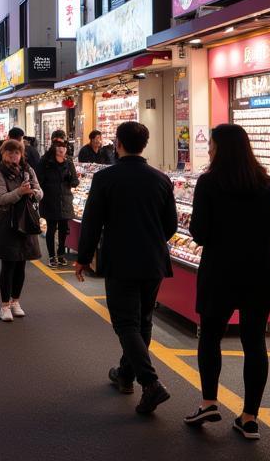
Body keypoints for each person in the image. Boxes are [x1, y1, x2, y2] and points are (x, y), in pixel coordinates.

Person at [184, 124, 270, 438]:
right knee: (254, 341)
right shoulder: (267, 184)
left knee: (210, 335)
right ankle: (249, 416)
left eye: (212, 145)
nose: (209, 150)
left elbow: (199, 232)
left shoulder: (208, 183)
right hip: (259, 267)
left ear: (220, 148)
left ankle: (209, 402)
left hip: (220, 266)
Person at [75, 121, 176, 415]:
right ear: (143, 144)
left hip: (120, 258)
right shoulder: (161, 179)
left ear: (118, 143)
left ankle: (151, 383)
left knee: (125, 323)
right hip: (154, 260)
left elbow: (92, 222)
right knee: (143, 321)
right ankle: (125, 375)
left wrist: (83, 257)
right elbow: (170, 225)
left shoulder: (107, 179)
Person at [0, 139, 45, 321]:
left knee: (22, 263)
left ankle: (16, 301)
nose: (14, 156)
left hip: (26, 221)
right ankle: (4, 305)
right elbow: (0, 198)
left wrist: (34, 193)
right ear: (3, 154)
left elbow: (39, 191)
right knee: (8, 264)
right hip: (7, 222)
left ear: (22, 155)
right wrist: (19, 192)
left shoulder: (28, 170)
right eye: (10, 152)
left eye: (17, 153)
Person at [37, 137, 78, 267]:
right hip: (50, 199)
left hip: (65, 199)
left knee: (64, 229)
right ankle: (51, 256)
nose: (62, 148)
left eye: (64, 146)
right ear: (53, 147)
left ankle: (61, 254)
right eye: (59, 146)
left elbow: (75, 181)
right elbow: (39, 180)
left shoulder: (69, 162)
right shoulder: (45, 161)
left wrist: (70, 179)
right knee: (51, 228)